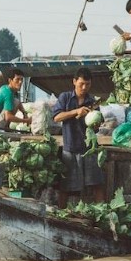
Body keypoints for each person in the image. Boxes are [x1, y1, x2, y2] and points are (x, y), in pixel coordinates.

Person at [52, 68, 106, 208]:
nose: (84, 87)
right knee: (66, 186)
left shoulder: (92, 101)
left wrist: (95, 122)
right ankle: (61, 214)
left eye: (87, 84)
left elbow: (96, 127)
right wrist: (76, 111)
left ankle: (102, 212)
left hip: (89, 148)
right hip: (70, 147)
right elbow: (57, 117)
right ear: (74, 81)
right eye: (81, 83)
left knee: (97, 183)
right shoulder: (65, 97)